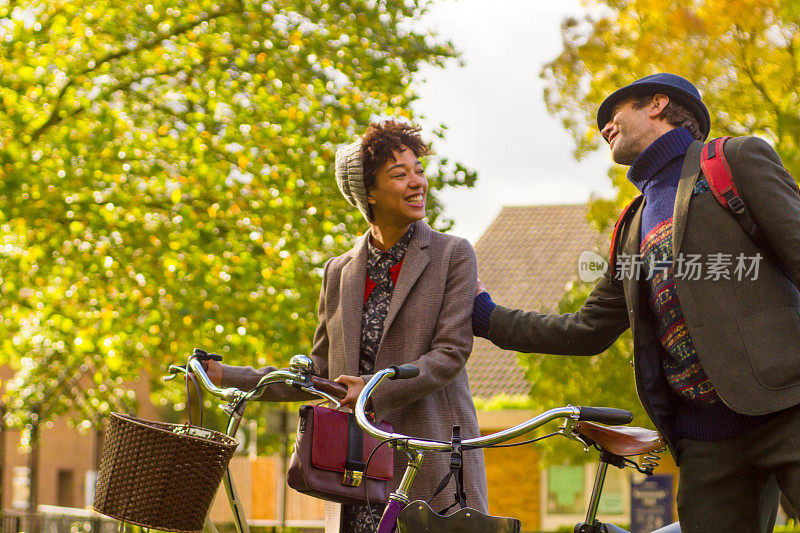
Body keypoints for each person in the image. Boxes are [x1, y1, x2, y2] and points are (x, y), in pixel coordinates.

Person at [472, 73, 800, 531]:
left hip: (788, 407)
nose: (603, 125)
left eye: (614, 112)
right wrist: (486, 318)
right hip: (706, 441)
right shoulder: (631, 225)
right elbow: (587, 330)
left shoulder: (733, 160)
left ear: (658, 104)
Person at [207, 120, 488, 532]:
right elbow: (317, 374)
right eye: (400, 174)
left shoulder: (453, 255)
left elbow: (450, 354)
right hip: (357, 475)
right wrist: (227, 375)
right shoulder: (338, 272)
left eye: (418, 170)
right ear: (368, 192)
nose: (417, 183)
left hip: (430, 466)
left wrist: (371, 389)